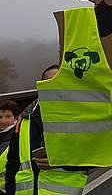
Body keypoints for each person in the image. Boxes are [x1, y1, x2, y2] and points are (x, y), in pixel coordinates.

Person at [5, 65, 91, 195]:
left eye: (58, 82)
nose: (53, 87)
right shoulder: (25, 119)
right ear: (40, 87)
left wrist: (61, 162)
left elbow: (96, 158)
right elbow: (12, 164)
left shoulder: (80, 118)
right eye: (48, 82)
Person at [1, 101, 19, 193]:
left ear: (15, 118)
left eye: (8, 116)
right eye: (0, 117)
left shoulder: (17, 136)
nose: (3, 121)